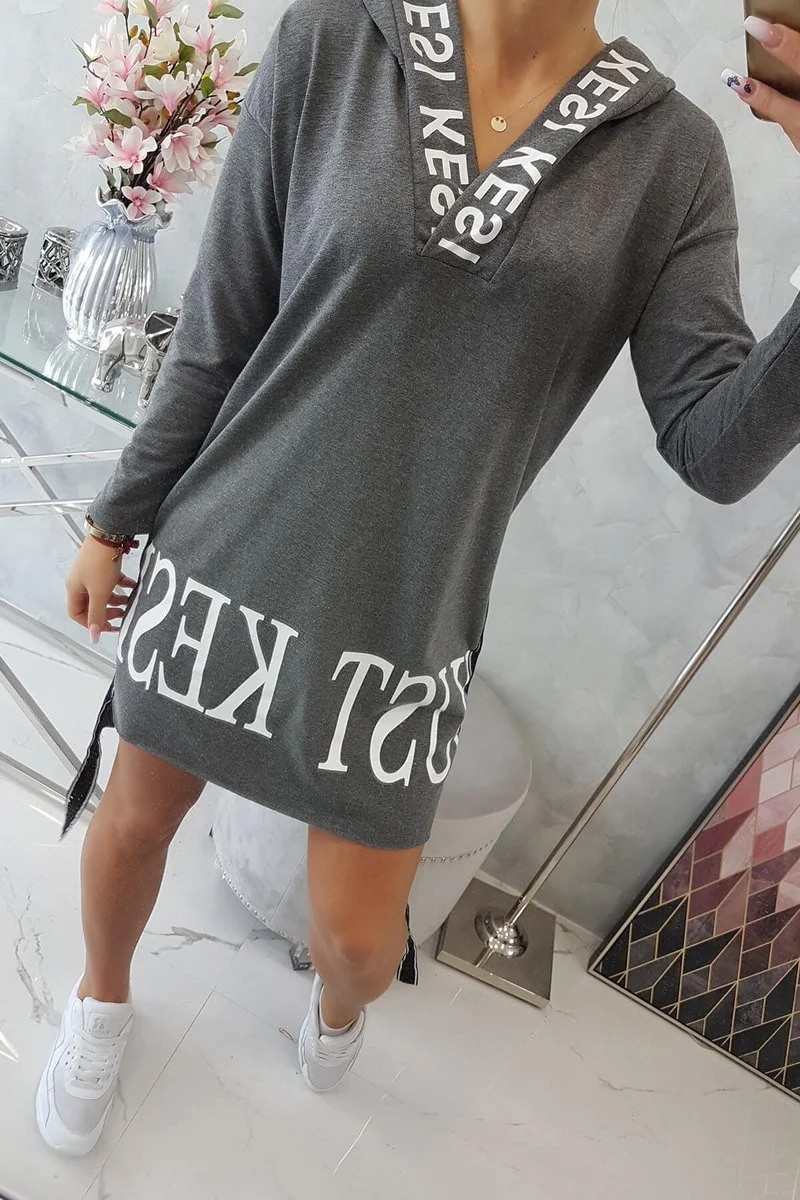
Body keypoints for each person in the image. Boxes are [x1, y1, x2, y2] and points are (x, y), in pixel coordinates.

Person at [35, 0, 800, 1157]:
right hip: (228, 551)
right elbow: (219, 327)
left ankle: (337, 1011)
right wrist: (115, 518)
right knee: (135, 823)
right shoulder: (335, 40)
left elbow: (714, 447)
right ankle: (99, 1003)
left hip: (404, 620)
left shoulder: (667, 157)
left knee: (355, 940)